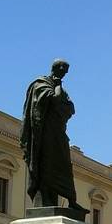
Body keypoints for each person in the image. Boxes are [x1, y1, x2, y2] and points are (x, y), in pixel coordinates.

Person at [21, 59, 82, 209]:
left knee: (66, 167)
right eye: (64, 70)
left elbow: (70, 109)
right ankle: (46, 199)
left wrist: (60, 97)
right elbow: (54, 100)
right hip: (45, 134)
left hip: (59, 134)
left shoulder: (58, 88)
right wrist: (58, 87)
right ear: (56, 68)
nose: (65, 74)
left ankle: (71, 201)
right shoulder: (41, 83)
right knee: (47, 166)